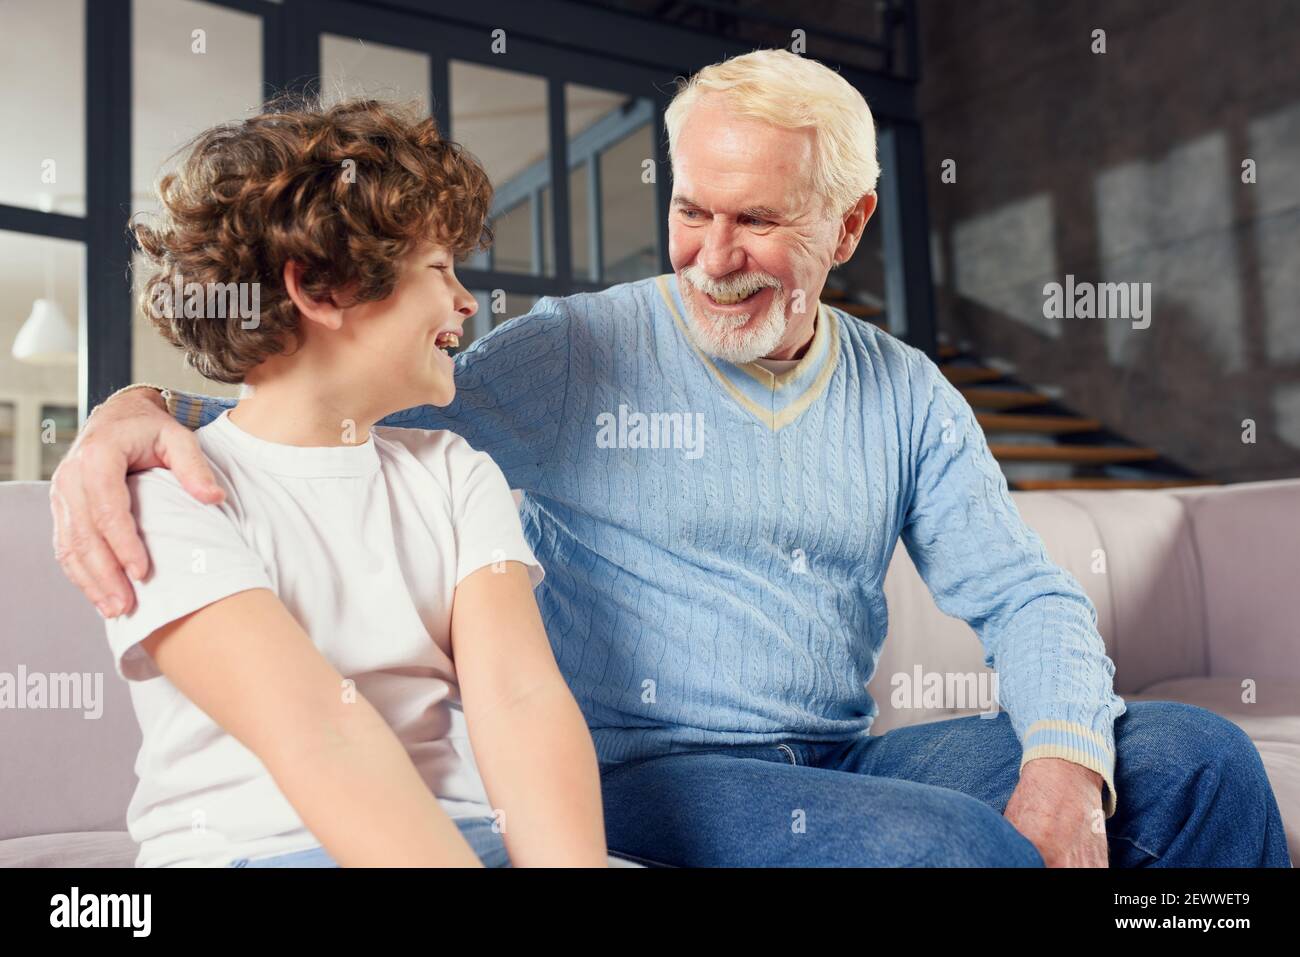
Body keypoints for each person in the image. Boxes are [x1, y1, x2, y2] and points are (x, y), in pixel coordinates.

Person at [56, 51, 1291, 867]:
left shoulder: (903, 391)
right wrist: (132, 406)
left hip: (834, 755)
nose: (709, 256)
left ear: (848, 225)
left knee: (1192, 760)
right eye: (690, 209)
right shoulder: (570, 356)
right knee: (928, 850)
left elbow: (1023, 596)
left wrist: (1065, 760)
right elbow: (335, 389)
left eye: (757, 221)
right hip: (648, 775)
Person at [94, 97, 606, 867]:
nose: (467, 301)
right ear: (323, 290)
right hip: (265, 852)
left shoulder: (455, 472)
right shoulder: (167, 493)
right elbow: (319, 731)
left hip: (465, 839)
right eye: (439, 267)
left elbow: (521, 699)